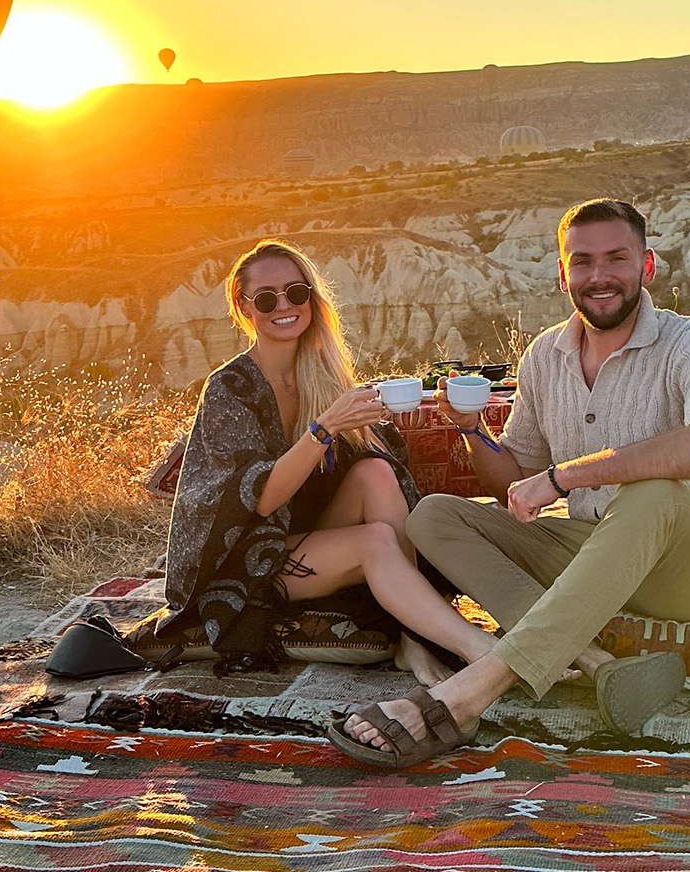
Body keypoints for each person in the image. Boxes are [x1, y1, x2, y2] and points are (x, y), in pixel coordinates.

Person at [329, 198, 690, 767]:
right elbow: (512, 476)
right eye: (582, 262)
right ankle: (591, 659)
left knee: (654, 492)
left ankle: (470, 693)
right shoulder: (545, 355)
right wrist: (473, 432)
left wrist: (566, 477)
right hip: (601, 553)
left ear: (648, 266)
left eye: (617, 258)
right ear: (563, 275)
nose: (599, 275)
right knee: (434, 515)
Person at [148, 239, 498, 683]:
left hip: (303, 538)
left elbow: (370, 459)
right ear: (244, 307)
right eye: (267, 298)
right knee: (375, 541)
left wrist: (377, 418)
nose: (284, 306)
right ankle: (485, 653)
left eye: (296, 292)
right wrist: (324, 427)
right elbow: (259, 501)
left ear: (311, 298)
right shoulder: (229, 389)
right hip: (246, 560)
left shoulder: (320, 371)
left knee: (375, 471)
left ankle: (414, 639)